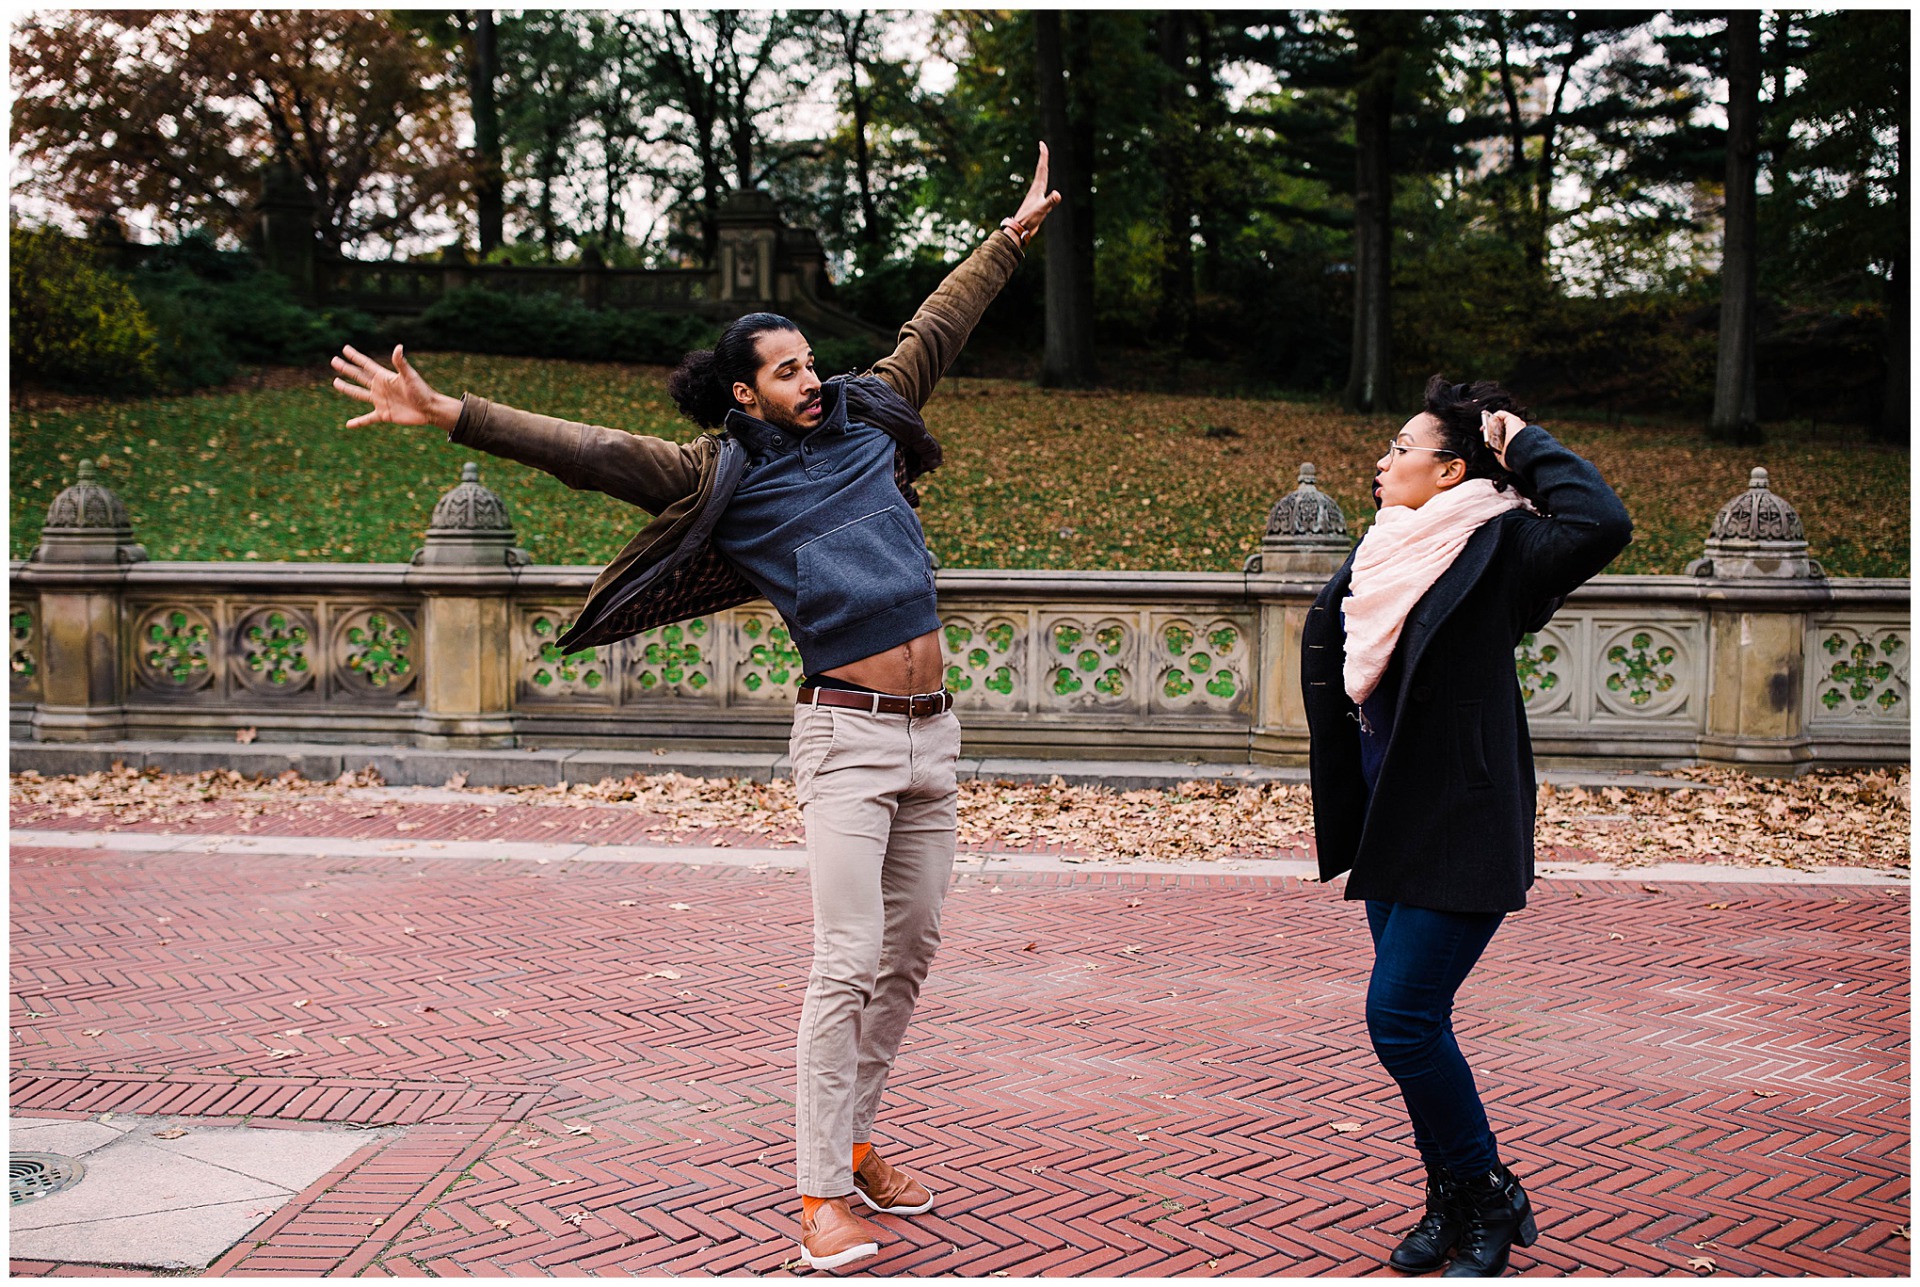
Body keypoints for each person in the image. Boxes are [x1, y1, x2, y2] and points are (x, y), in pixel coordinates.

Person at [331, 147, 1061, 1272]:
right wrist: (451, 414)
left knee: (909, 953)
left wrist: (1008, 240)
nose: (810, 380)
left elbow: (934, 327)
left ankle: (859, 1139)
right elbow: (586, 453)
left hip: (935, 735)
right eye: (784, 372)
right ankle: (820, 1197)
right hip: (846, 739)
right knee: (846, 959)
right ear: (742, 391)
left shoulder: (872, 417)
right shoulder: (720, 474)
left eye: (811, 362)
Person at [1300, 376, 1631, 1277]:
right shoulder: (1387, 548)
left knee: (1400, 1018)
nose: (1382, 458)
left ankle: (1489, 1193)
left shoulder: (1501, 548)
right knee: (1415, 1024)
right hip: (1390, 820)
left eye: (1400, 447)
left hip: (1463, 819)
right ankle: (1450, 1197)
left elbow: (1601, 523)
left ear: (1450, 470)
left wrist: (1523, 439)